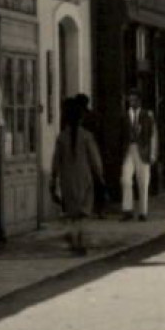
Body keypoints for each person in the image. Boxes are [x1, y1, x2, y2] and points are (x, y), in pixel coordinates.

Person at [50, 95, 103, 255]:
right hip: (84, 178)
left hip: (67, 180)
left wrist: (53, 180)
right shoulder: (86, 136)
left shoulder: (62, 137)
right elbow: (95, 160)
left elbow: (55, 162)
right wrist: (100, 176)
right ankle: (80, 242)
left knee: (72, 214)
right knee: (82, 214)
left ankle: (74, 242)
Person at [121, 89, 156, 222]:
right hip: (128, 149)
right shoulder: (124, 116)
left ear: (139, 101)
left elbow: (153, 134)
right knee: (125, 179)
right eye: (130, 100)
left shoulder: (147, 115)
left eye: (134, 99)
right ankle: (127, 209)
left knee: (143, 181)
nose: (131, 102)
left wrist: (152, 153)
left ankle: (143, 211)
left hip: (143, 149)